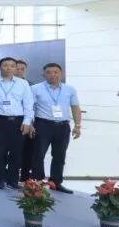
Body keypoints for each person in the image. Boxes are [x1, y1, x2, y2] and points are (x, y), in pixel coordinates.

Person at [30, 62, 81, 193]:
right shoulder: (35, 89)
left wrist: (77, 126)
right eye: (48, 72)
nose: (52, 75)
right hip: (43, 125)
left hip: (63, 127)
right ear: (43, 75)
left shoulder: (70, 89)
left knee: (59, 156)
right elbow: (29, 108)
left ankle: (56, 183)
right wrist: (30, 124)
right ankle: (37, 183)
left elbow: (75, 107)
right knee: (38, 155)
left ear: (61, 74)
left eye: (56, 72)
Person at [0, 57, 33, 190]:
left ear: (15, 68)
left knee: (16, 152)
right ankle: (0, 179)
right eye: (5, 65)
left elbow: (28, 103)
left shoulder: (23, 83)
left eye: (12, 66)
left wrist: (27, 121)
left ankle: (13, 180)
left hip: (18, 121)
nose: (9, 68)